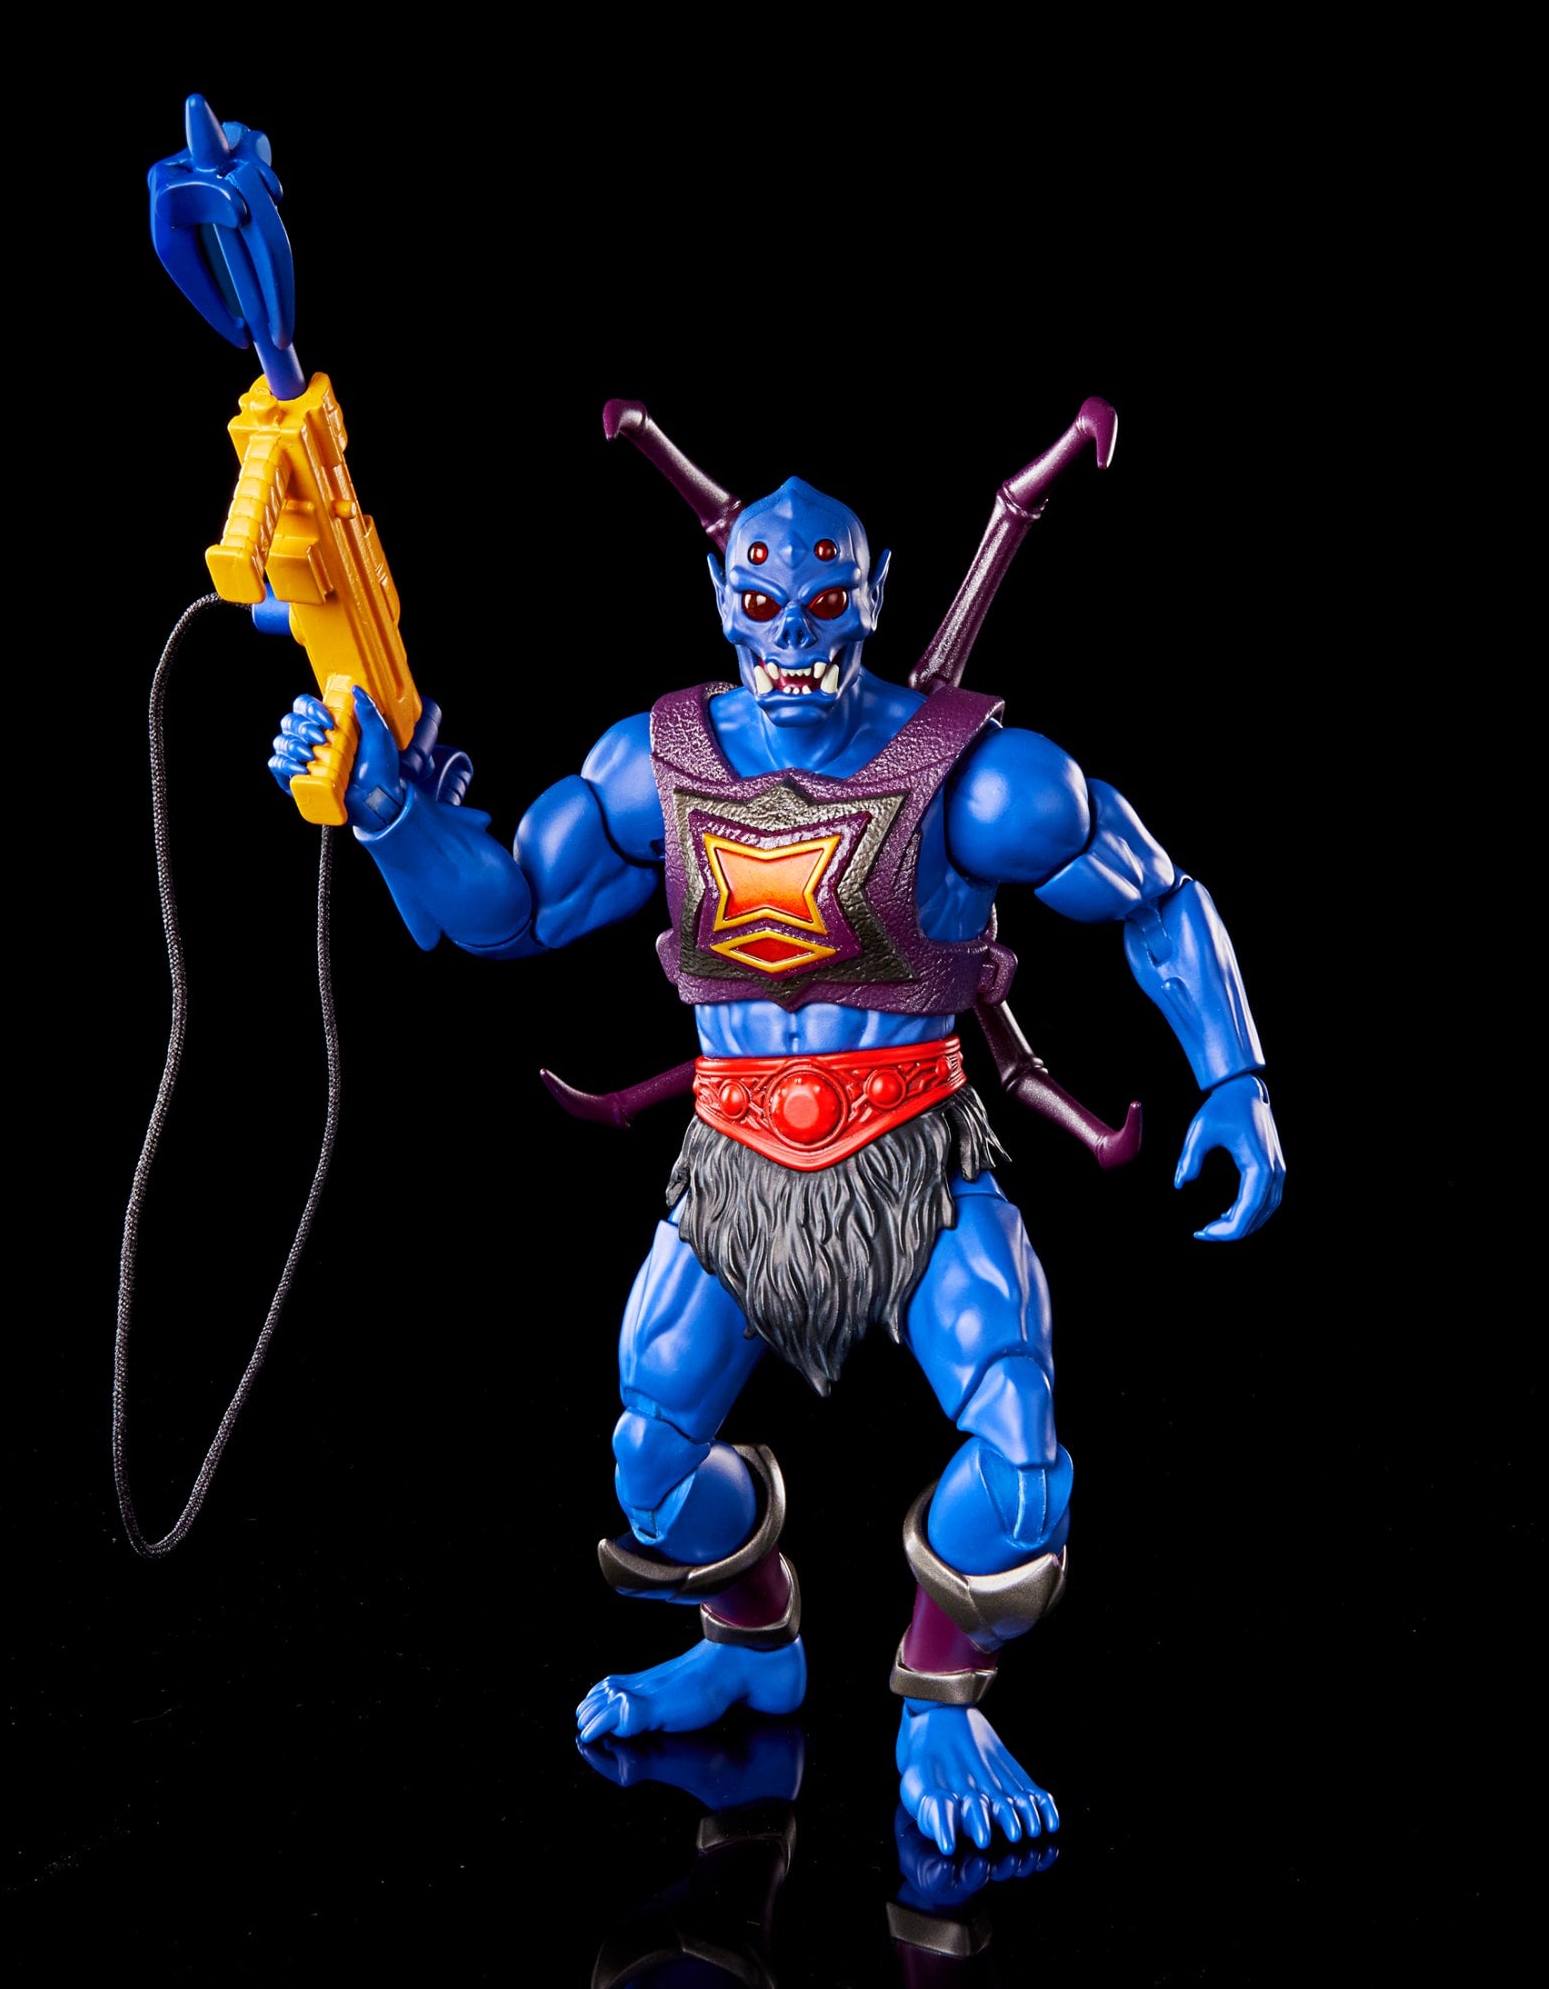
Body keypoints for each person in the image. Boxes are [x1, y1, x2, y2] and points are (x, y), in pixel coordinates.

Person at [267, 458, 1284, 1855]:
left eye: (822, 600)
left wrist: (1234, 1075)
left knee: (1023, 1464)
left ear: (873, 599)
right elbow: (508, 914)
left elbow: (1155, 893)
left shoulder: (969, 776)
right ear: (719, 599)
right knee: (649, 1467)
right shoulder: (658, 767)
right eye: (760, 603)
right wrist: (388, 810)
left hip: (917, 1159)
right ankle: (750, 1646)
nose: (792, 631)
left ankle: (942, 1702)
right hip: (734, 1170)